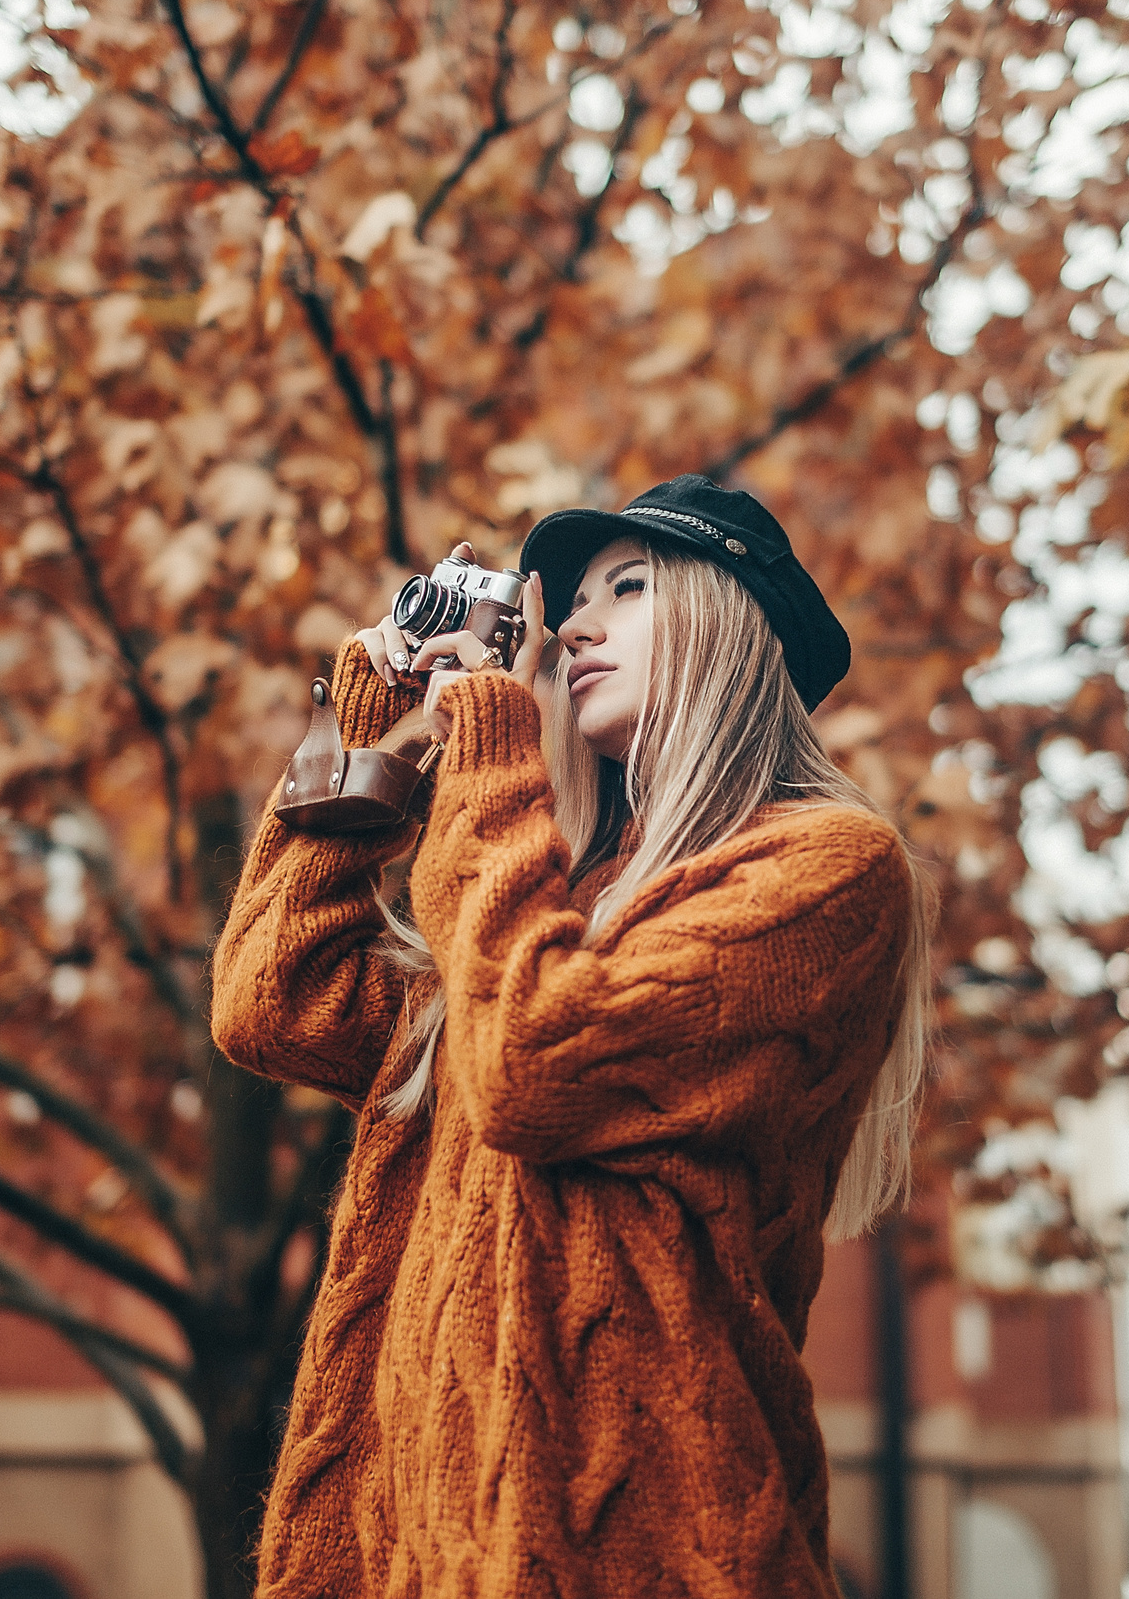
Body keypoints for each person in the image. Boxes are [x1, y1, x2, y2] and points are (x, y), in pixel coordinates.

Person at [213, 474, 933, 1598]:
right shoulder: (544, 896)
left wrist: (493, 739)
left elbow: (530, 1069)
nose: (575, 626)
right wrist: (365, 732)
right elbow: (277, 1002)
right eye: (569, 603)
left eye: (628, 588)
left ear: (729, 629)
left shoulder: (825, 869)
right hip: (412, 1551)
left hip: (644, 1550)